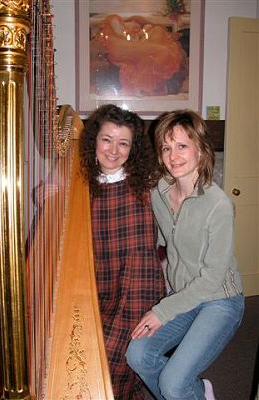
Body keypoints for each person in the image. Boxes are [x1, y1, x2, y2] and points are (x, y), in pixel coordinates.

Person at [125, 109, 244, 400]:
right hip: (184, 296)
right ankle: (198, 392)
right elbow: (165, 238)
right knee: (137, 355)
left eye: (182, 146)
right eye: (166, 147)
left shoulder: (219, 206)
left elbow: (213, 278)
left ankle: (187, 391)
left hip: (220, 300)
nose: (173, 155)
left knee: (173, 383)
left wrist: (161, 310)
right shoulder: (160, 192)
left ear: (201, 152)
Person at [79, 104, 166, 399]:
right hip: (99, 284)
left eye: (123, 143)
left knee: (112, 357)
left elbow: (186, 195)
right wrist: (49, 191)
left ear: (133, 148)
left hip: (138, 286)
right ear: (94, 141)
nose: (113, 150)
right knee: (89, 351)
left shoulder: (149, 183)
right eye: (107, 139)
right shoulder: (81, 186)